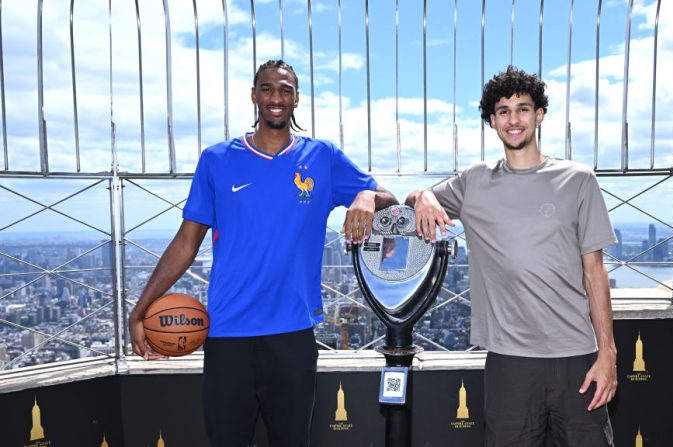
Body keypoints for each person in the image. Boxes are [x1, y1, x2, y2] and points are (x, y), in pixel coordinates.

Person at [128, 59, 397, 447]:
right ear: (254, 96)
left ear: (296, 99)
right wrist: (141, 309)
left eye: (285, 90)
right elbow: (186, 243)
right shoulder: (217, 160)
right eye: (268, 88)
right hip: (227, 336)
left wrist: (367, 193)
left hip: (292, 336)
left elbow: (389, 201)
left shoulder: (323, 157)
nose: (276, 97)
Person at [406, 66, 617, 447]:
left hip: (577, 358)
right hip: (510, 362)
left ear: (539, 115)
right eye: (503, 111)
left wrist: (608, 355)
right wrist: (423, 196)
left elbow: (595, 273)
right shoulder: (473, 182)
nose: (513, 119)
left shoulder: (579, 179)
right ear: (492, 120)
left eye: (522, 108)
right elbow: (417, 202)